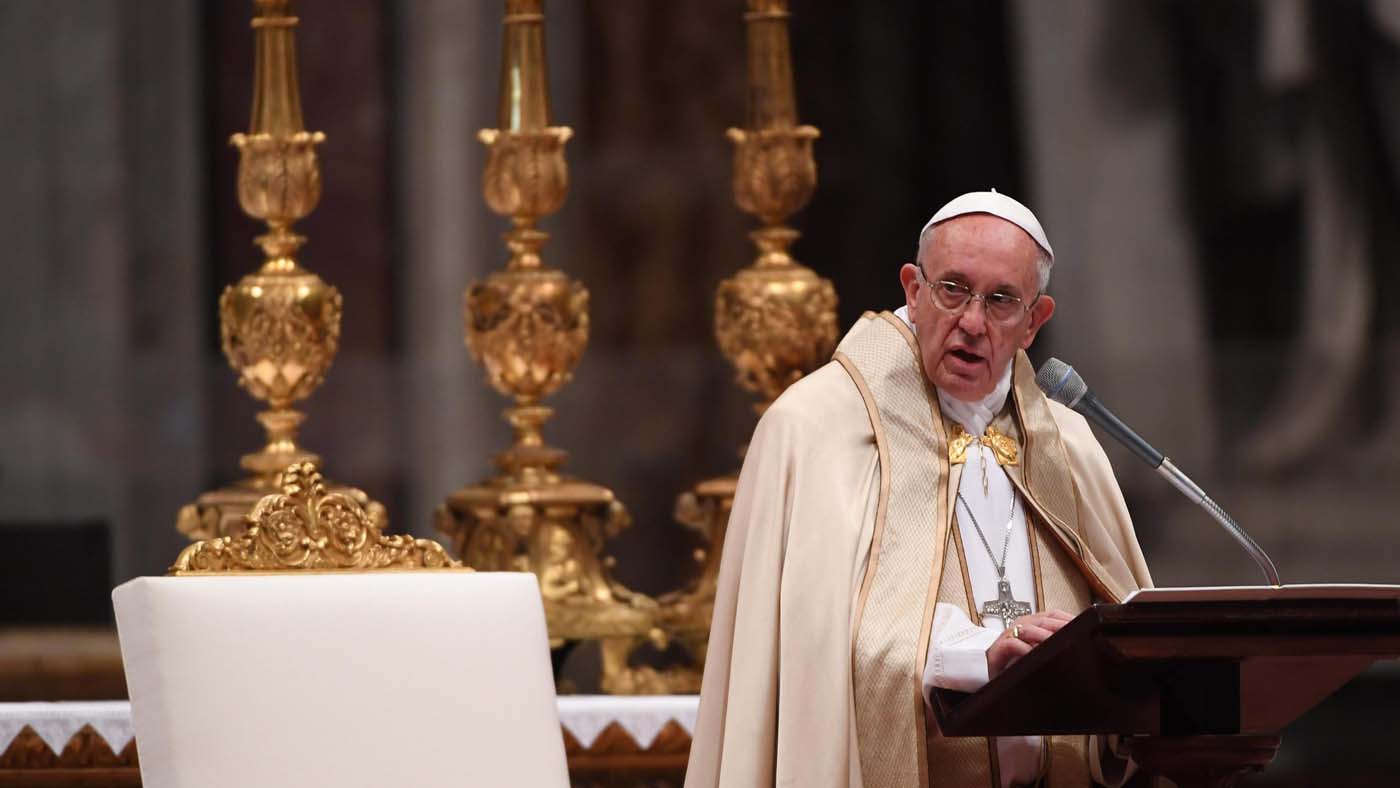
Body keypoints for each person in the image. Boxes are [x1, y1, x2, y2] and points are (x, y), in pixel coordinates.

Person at [685, 191, 1153, 788]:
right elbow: (813, 643)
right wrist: (973, 658)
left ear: (1035, 321)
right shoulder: (816, 426)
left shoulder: (1067, 442)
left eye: (1002, 300)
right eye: (952, 289)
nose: (972, 323)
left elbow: (1130, 639)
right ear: (912, 288)